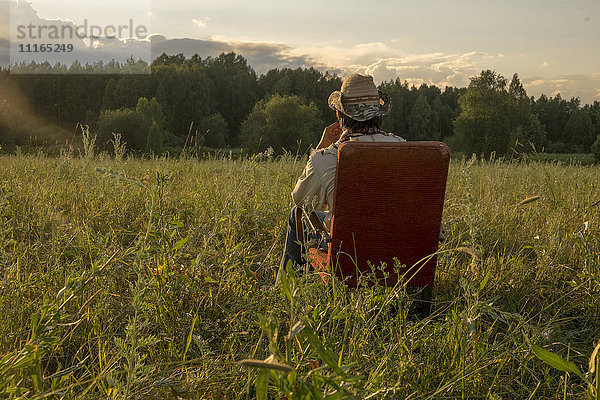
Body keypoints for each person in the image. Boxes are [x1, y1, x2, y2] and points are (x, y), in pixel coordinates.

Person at [279, 73, 407, 276]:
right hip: (401, 250)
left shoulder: (328, 156)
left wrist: (321, 147)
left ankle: (286, 290)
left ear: (340, 116)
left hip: (349, 253)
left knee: (296, 217)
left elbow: (300, 200)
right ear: (379, 115)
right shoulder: (402, 147)